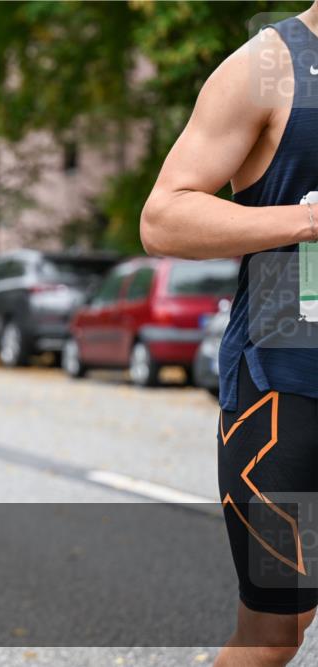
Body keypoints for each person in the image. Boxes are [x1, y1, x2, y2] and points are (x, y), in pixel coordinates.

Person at [141, 6, 317, 666]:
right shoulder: (268, 67)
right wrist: (306, 224)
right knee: (275, 632)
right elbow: (164, 217)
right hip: (288, 392)